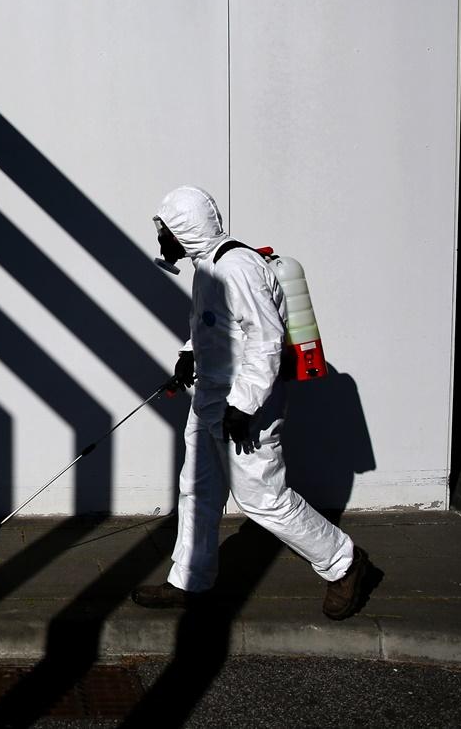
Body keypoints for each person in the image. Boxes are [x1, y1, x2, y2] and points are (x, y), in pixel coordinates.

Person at [133, 185, 372, 620]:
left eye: (163, 229)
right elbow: (220, 327)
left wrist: (244, 406)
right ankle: (190, 580)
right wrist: (191, 352)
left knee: (263, 498)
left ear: (183, 228)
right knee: (199, 489)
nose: (160, 238)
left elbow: (265, 340)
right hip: (211, 397)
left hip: (242, 405)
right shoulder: (208, 266)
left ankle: (344, 562)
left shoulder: (237, 267)